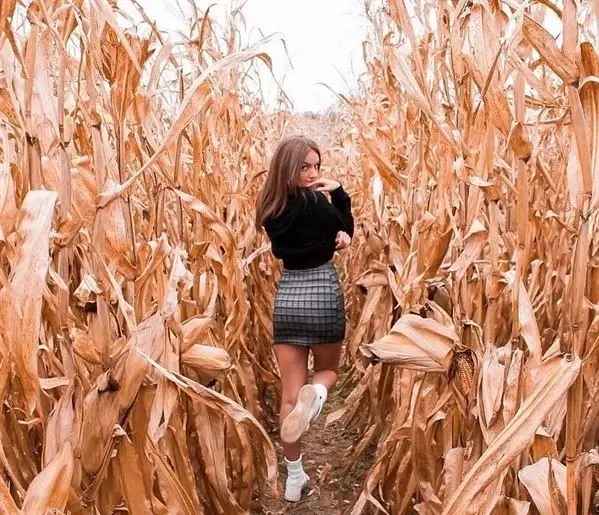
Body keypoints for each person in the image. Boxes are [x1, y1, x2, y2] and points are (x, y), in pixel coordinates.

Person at [255, 135, 354, 502]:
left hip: (289, 299)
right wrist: (339, 193)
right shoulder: (316, 201)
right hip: (322, 292)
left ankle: (293, 478)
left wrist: (336, 235)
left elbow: (313, 238)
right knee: (328, 371)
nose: (313, 174)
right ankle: (318, 396)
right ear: (290, 168)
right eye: (305, 167)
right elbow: (344, 228)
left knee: (287, 397)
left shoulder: (271, 208)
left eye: (317, 166)